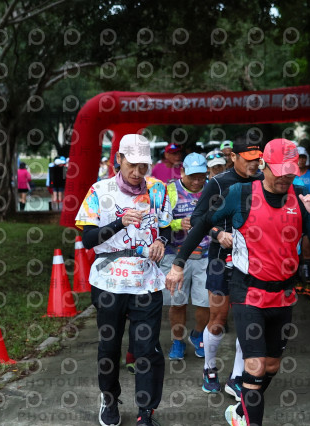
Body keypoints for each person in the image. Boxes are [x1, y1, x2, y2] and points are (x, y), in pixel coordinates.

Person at [166, 138, 310, 426]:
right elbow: (202, 223)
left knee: (271, 365)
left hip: (283, 293)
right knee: (254, 366)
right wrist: (178, 264)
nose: (285, 178)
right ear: (265, 166)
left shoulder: (301, 195)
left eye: (290, 172)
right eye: (279, 171)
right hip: (248, 290)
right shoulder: (239, 194)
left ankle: (241, 412)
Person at [75, 134, 172, 426]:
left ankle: (146, 412)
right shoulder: (99, 191)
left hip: (146, 282)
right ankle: (109, 398)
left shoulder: (158, 189)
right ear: (119, 159)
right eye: (132, 165)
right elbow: (88, 239)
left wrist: (162, 241)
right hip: (109, 283)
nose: (137, 172)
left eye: (143, 166)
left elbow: (167, 227)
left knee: (147, 349)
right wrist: (119, 222)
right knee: (109, 347)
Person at [189, 135, 264, 401]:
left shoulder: (262, 181)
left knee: (248, 321)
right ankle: (209, 368)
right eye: (248, 159)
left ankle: (237, 377)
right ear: (234, 157)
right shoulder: (219, 183)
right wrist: (218, 233)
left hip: (254, 261)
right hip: (222, 259)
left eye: (257, 160)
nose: (254, 165)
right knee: (218, 319)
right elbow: (197, 218)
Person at [161, 153, 211, 360]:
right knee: (178, 303)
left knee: (206, 303)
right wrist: (177, 223)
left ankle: (197, 334)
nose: (197, 182)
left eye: (201, 177)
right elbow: (159, 221)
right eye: (192, 177)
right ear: (182, 172)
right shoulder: (170, 190)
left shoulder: (212, 188)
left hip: (205, 254)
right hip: (175, 256)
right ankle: (177, 341)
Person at [293, 146, 310, 298]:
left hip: (308, 216)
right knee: (295, 251)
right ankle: (297, 280)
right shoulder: (287, 176)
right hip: (292, 218)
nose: (301, 160)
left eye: (303, 157)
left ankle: (309, 282)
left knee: (308, 249)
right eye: (299, 157)